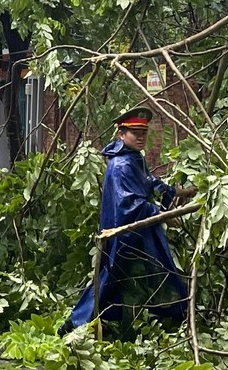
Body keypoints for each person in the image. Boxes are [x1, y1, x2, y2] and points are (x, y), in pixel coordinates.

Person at [59, 107, 195, 336]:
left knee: (126, 281)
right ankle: (75, 326)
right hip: (124, 236)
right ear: (121, 134)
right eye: (135, 133)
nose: (140, 137)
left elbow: (150, 182)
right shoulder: (121, 165)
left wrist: (178, 192)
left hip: (137, 234)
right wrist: (164, 215)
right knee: (114, 280)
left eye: (143, 133)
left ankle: (128, 326)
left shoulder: (134, 159)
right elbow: (129, 206)